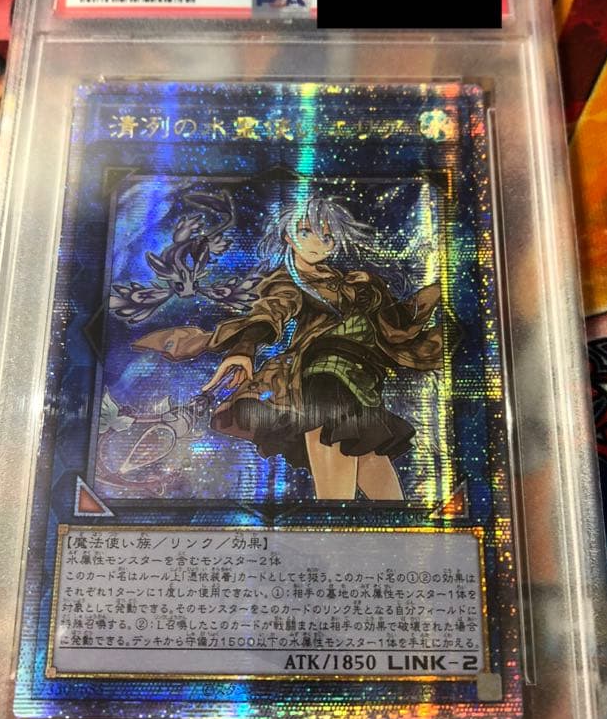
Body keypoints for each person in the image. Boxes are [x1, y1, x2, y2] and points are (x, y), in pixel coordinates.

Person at [135, 187, 457, 500]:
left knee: (370, 457)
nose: (317, 243)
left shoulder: (346, 281)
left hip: (361, 380)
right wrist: (245, 348)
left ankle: (401, 530)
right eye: (306, 232)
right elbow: (272, 310)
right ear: (288, 236)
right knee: (334, 450)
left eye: (327, 237)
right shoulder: (289, 281)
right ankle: (333, 530)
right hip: (325, 376)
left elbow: (392, 324)